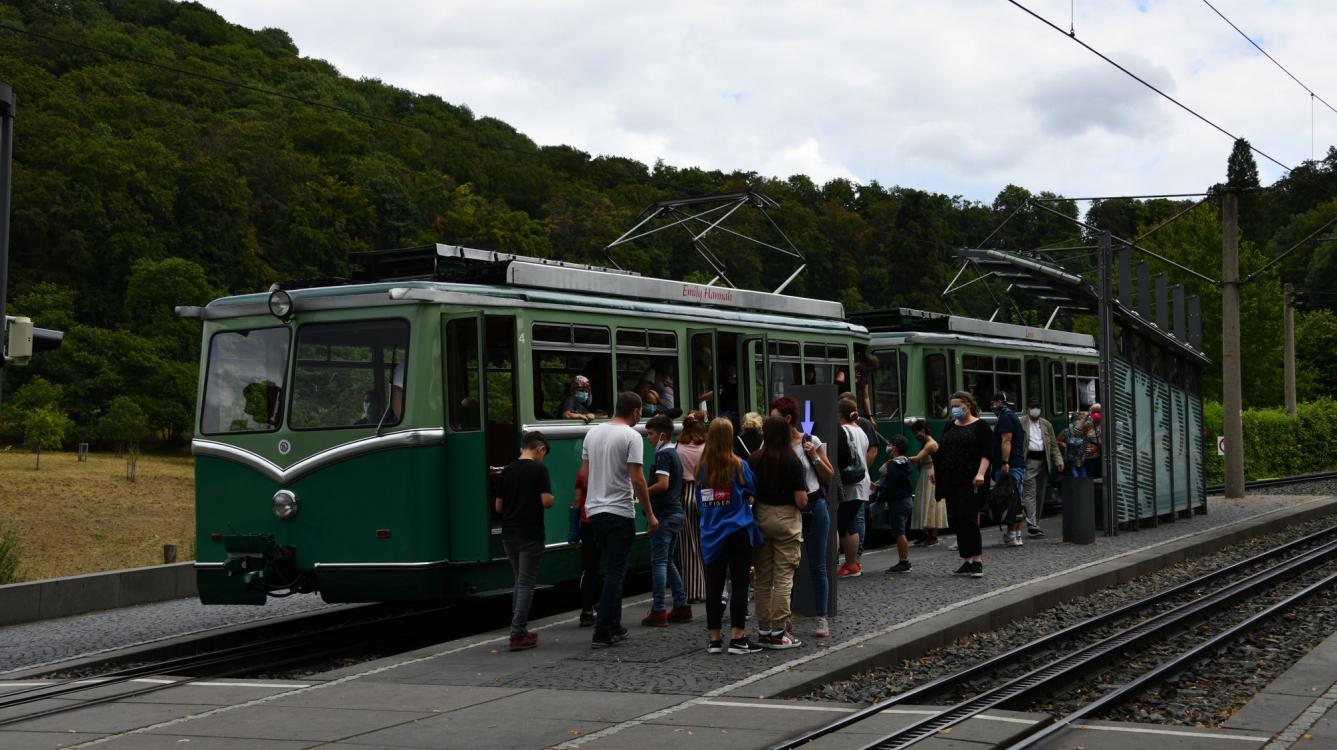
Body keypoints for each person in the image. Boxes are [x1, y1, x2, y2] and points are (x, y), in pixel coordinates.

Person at [582, 391, 658, 648]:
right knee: (615, 572)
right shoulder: (631, 436)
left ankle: (614, 624)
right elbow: (637, 479)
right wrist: (649, 513)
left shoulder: (592, 433)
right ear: (636, 411)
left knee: (614, 568)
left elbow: (585, 473)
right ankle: (602, 630)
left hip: (595, 510)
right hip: (619, 510)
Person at [696, 418, 764, 654]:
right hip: (737, 532)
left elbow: (699, 501)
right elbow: (754, 488)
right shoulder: (739, 465)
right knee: (740, 584)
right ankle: (738, 637)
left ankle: (714, 638)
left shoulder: (702, 468)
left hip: (711, 533)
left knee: (713, 586)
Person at [771, 396, 836, 637]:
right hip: (787, 509)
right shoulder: (772, 445)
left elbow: (829, 476)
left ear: (787, 419)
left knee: (817, 564)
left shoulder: (810, 440)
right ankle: (784, 619)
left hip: (814, 505)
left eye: (774, 416)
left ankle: (821, 618)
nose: (769, 420)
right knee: (788, 567)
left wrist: (815, 457)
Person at [749, 415, 807, 649]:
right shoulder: (792, 461)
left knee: (763, 578)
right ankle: (778, 632)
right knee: (784, 578)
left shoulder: (755, 459)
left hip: (761, 517)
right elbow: (801, 500)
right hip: (786, 520)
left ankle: (763, 630)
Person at [494, 431, 554, 651]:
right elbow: (546, 501)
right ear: (540, 449)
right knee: (527, 582)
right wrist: (552, 498)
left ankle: (518, 629)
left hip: (509, 534)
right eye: (544, 454)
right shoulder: (539, 470)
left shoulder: (507, 471)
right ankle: (517, 633)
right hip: (531, 533)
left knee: (519, 580)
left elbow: (498, 507)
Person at [642, 414, 693, 626]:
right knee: (668, 560)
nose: (649, 438)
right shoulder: (674, 453)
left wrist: (641, 491)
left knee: (659, 562)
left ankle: (659, 609)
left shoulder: (663, 455)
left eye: (651, 434)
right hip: (676, 513)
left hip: (664, 513)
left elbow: (662, 484)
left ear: (662, 435)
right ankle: (681, 605)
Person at [938, 391, 992, 578]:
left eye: (957, 405)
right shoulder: (949, 425)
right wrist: (937, 473)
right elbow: (942, 450)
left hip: (971, 479)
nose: (954, 409)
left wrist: (981, 473)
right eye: (952, 405)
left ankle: (977, 560)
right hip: (951, 479)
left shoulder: (981, 426)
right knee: (958, 518)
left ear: (967, 405)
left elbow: (987, 453)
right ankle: (967, 559)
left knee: (969, 518)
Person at [676, 411, 709, 602]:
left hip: (685, 494)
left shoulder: (678, 447)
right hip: (705, 492)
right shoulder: (706, 447)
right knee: (708, 542)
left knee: (689, 545)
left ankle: (694, 591)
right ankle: (710, 587)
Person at [1021, 397, 1064, 539]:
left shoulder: (1046, 424)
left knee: (1040, 493)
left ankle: (1035, 523)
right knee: (1030, 492)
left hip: (1044, 462)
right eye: (1033, 407)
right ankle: (1032, 523)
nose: (1035, 409)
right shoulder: (1021, 422)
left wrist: (1058, 460)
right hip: (1029, 462)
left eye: (1037, 407)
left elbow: (1052, 444)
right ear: (1028, 409)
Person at [836, 398, 870, 578]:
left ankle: (850, 564)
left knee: (846, 524)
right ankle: (853, 562)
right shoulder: (860, 430)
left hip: (850, 483)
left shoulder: (843, 430)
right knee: (850, 522)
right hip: (861, 481)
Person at [990, 391, 1027, 548]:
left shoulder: (1005, 417)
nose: (992, 406)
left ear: (999, 402)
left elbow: (1006, 441)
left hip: (1009, 465)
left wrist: (1005, 462)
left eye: (993, 403)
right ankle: (1016, 535)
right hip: (1017, 463)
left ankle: (1012, 534)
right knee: (1017, 500)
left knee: (1010, 500)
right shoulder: (1012, 416)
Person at [569, 465, 601, 627]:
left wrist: (573, 529)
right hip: (606, 522)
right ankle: (605, 605)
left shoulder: (582, 471)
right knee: (612, 567)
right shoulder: (607, 467)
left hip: (587, 523)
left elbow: (576, 500)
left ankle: (587, 612)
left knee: (589, 569)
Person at [879, 435, 915, 573]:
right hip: (906, 500)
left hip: (898, 502)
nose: (888, 446)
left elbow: (891, 484)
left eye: (890, 443)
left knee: (899, 532)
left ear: (894, 447)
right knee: (901, 531)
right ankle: (903, 561)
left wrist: (881, 497)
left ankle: (904, 562)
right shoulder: (904, 463)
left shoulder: (893, 465)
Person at [907, 420, 945, 546]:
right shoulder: (926, 442)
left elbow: (917, 458)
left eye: (915, 432)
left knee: (932, 503)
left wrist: (902, 458)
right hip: (925, 473)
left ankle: (933, 536)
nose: (915, 435)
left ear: (922, 430)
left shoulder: (930, 444)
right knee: (923, 503)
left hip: (930, 475)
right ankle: (926, 534)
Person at [1059, 413, 1089, 477]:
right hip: (1070, 460)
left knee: (1083, 477)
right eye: (1076, 419)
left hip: (1081, 460)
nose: (1078, 421)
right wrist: (1062, 443)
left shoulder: (1084, 432)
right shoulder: (1066, 431)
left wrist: (1084, 455)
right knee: (1075, 477)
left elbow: (1086, 444)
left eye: (1079, 419)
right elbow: (1057, 440)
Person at [854, 352, 879, 426]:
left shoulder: (865, 375)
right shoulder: (858, 369)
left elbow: (866, 396)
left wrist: (870, 416)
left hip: (858, 407)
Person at [1084, 405, 1104, 478]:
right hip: (1091, 457)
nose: (1096, 414)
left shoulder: (1107, 424)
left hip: (1105, 456)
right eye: (1093, 412)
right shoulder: (1087, 425)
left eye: (1098, 412)